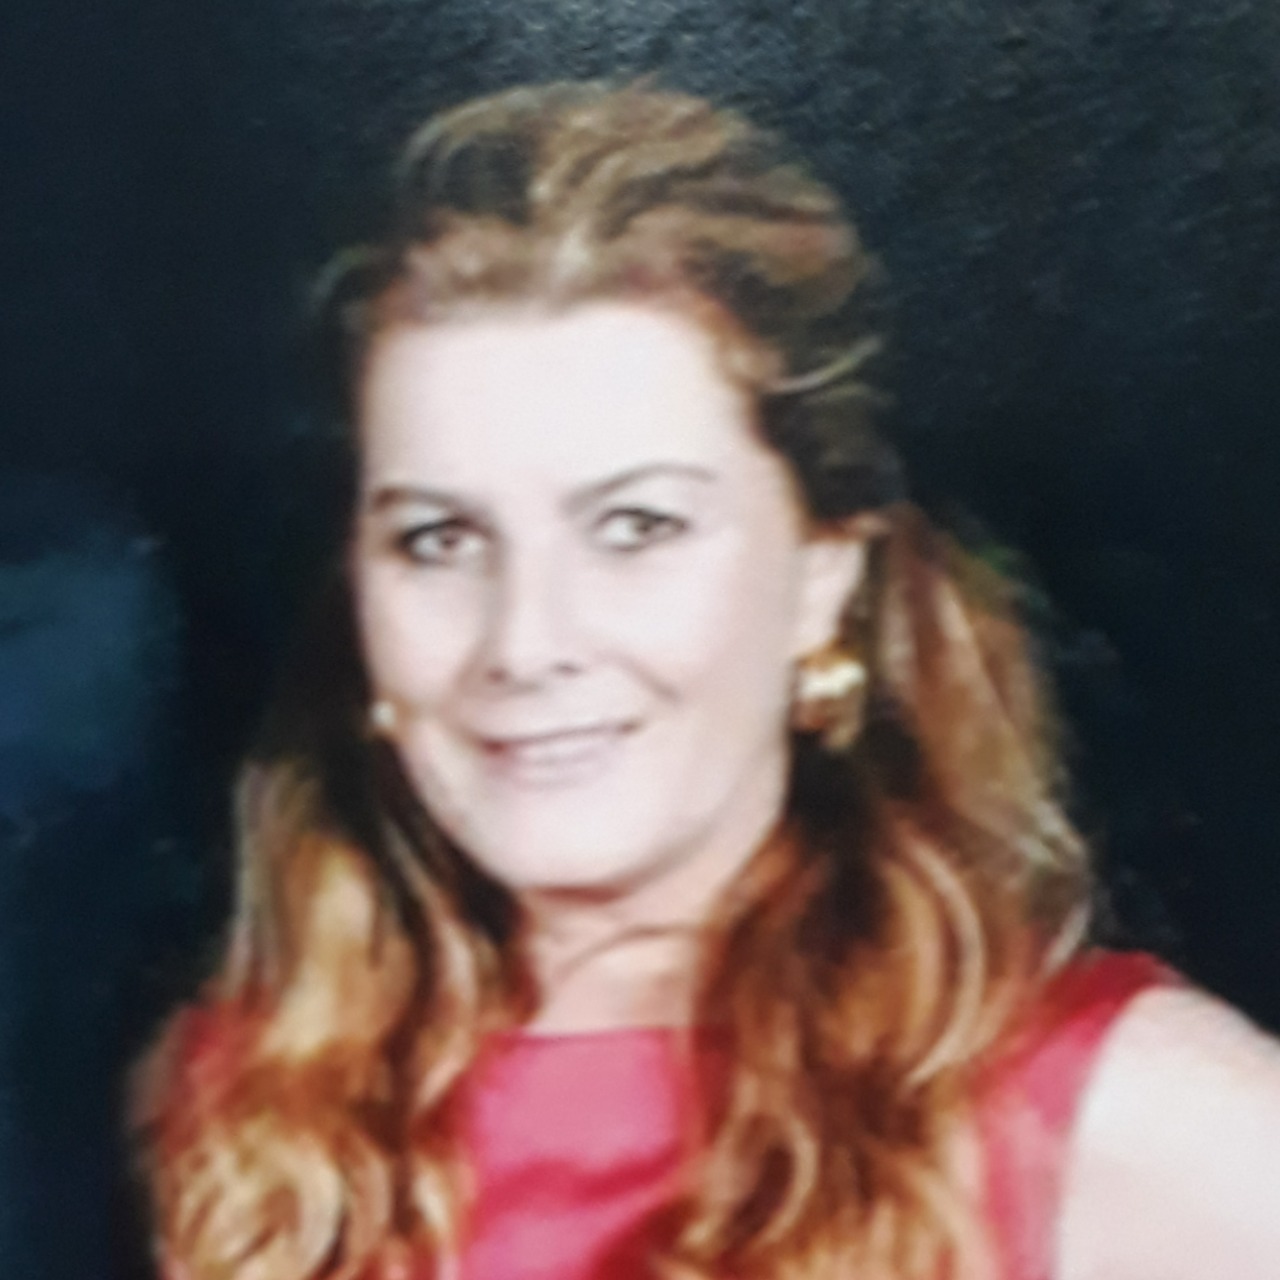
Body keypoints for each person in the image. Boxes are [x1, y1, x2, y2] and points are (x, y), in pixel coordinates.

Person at [132, 82, 1280, 1280]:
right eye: (439, 538)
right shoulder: (226, 1109)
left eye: (635, 526)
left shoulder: (1117, 1119)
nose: (523, 641)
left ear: (821, 573)